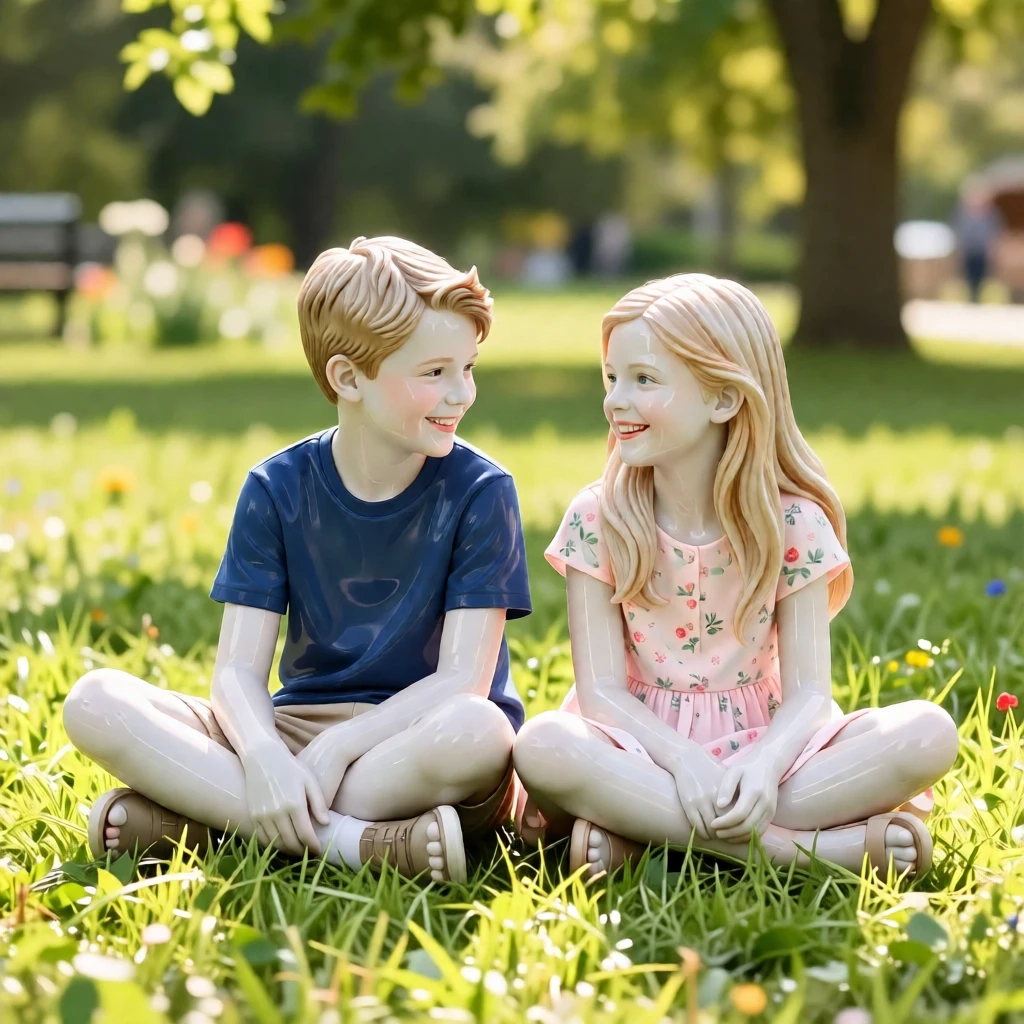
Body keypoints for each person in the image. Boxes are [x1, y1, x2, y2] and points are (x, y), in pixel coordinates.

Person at [63, 237, 532, 884]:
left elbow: (462, 685)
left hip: (418, 738)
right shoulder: (276, 488)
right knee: (94, 701)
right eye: (434, 373)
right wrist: (261, 756)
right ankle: (354, 841)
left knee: (479, 732)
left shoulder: (481, 491)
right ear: (348, 378)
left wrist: (339, 747)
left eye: (468, 367)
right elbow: (235, 672)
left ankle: (207, 822)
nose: (462, 394)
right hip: (296, 730)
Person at [512, 274, 958, 880]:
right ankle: (813, 855)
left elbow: (808, 694)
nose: (616, 400)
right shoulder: (600, 518)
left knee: (928, 732)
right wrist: (682, 763)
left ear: (724, 398)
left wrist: (767, 764)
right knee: (544, 745)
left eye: (644, 379)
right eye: (611, 378)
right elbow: (602, 696)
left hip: (770, 748)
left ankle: (645, 835)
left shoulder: (792, 523)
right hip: (639, 749)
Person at [955, 179, 1003, 302]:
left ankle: (977, 296)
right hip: (969, 249)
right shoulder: (964, 214)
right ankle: (972, 296)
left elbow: (994, 233)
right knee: (969, 274)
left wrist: (992, 249)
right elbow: (960, 231)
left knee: (981, 274)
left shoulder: (991, 215)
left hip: (982, 250)